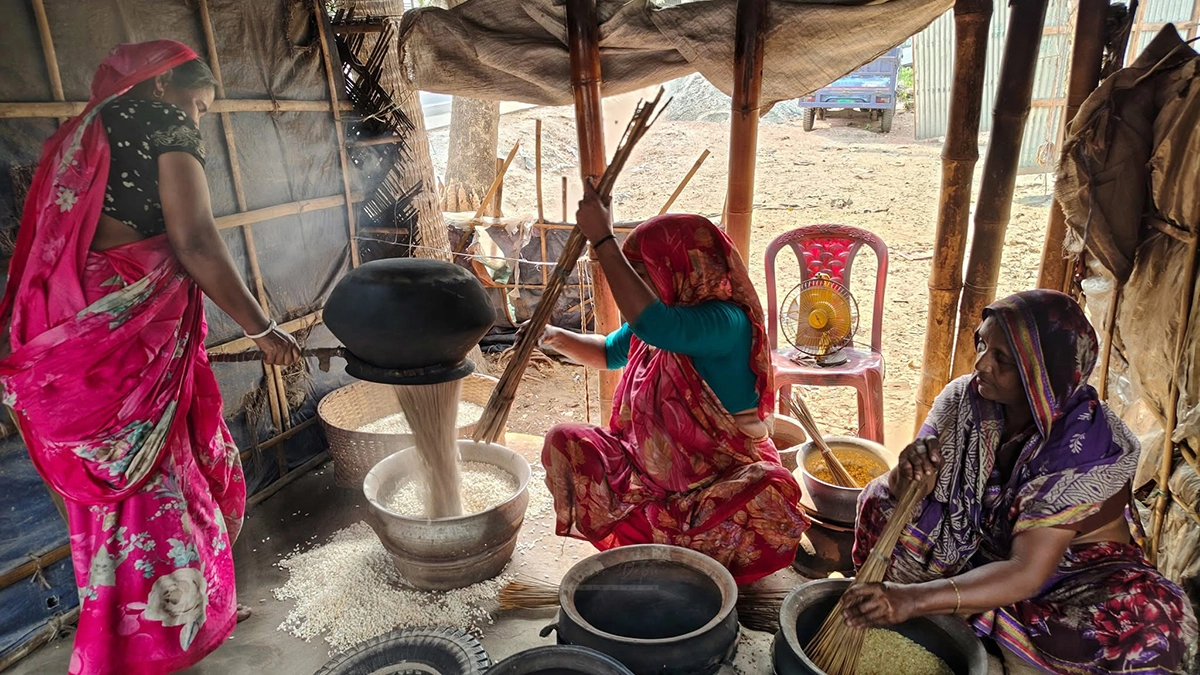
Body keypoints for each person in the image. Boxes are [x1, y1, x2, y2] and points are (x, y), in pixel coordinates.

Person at [0, 41, 300, 675]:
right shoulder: (161, 123)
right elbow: (194, 239)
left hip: (71, 334)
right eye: (196, 104)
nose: (196, 119)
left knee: (120, 494)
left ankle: (185, 610)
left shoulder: (80, 135)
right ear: (163, 88)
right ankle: (159, 635)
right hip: (124, 337)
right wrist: (262, 329)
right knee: (159, 481)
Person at [842, 290, 1197, 675]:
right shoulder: (966, 400)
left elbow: (1028, 571)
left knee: (1146, 629)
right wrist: (907, 473)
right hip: (983, 541)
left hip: (1069, 570)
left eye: (1002, 359)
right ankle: (959, 608)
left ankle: (965, 615)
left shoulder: (1083, 445)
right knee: (881, 500)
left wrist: (911, 599)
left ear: (1045, 372)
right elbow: (913, 490)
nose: (980, 364)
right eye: (981, 343)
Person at [537, 183, 809, 585]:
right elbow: (609, 352)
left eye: (646, 274)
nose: (641, 288)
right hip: (645, 476)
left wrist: (603, 239)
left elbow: (656, 325)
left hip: (714, 481)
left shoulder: (725, 322)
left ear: (682, 268)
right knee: (566, 441)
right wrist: (555, 337)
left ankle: (678, 553)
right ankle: (665, 547)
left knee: (766, 489)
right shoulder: (666, 318)